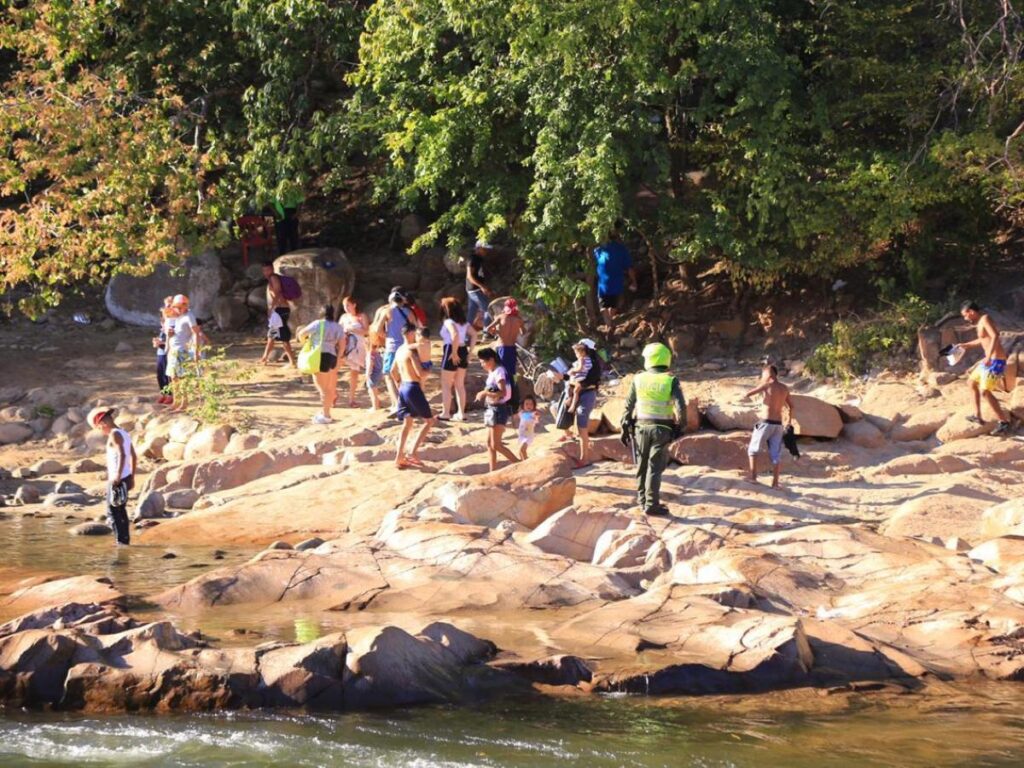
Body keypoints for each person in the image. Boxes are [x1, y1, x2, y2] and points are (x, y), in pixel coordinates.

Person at [621, 343, 687, 517]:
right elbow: (681, 408)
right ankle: (652, 504)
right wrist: (680, 427)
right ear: (666, 358)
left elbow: (628, 406)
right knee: (655, 467)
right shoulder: (671, 379)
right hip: (662, 428)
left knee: (642, 465)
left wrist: (624, 427)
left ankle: (642, 500)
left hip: (641, 428)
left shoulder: (638, 378)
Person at [959, 301, 1011, 435]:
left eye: (965, 315)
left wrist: (988, 356)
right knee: (971, 382)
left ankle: (1003, 422)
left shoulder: (985, 319)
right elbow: (982, 340)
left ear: (971, 312)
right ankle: (977, 415)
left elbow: (995, 335)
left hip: (996, 361)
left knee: (985, 391)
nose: (965, 318)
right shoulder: (980, 323)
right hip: (988, 361)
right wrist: (966, 345)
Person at [90, 407, 137, 546]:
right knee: (121, 510)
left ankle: (120, 543)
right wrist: (132, 477)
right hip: (126, 477)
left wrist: (117, 475)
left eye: (99, 427)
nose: (101, 431)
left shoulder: (114, 434)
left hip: (118, 479)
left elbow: (123, 454)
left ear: (103, 423)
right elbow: (133, 456)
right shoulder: (124, 433)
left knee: (113, 513)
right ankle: (124, 541)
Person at [391, 323, 436, 469]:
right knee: (429, 421)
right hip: (413, 387)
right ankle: (412, 452)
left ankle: (399, 457)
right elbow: (420, 374)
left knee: (407, 423)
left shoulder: (399, 350)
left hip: (403, 386)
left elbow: (392, 371)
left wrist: (398, 384)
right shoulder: (412, 352)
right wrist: (429, 370)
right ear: (411, 334)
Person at [742, 364, 794, 488]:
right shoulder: (784, 388)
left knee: (753, 450)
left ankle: (753, 477)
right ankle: (775, 483)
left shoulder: (767, 385)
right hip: (778, 425)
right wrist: (789, 421)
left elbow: (748, 394)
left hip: (765, 423)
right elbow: (791, 406)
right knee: (775, 454)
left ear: (769, 374)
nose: (762, 377)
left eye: (763, 374)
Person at [297, 304, 344, 424]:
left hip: (319, 356)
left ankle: (326, 415)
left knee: (322, 388)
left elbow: (302, 333)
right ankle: (326, 412)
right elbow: (342, 345)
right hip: (332, 355)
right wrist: (339, 359)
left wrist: (306, 342)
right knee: (328, 387)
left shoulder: (318, 323)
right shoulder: (338, 327)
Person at [476, 348, 520, 471]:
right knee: (490, 444)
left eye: (483, 362)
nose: (482, 365)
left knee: (497, 445)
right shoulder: (492, 372)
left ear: (491, 360)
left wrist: (484, 393)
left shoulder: (499, 372)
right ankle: (492, 471)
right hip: (491, 409)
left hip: (499, 409)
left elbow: (502, 392)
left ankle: (519, 464)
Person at [376, 287, 416, 413]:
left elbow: (377, 329)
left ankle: (396, 404)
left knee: (389, 375)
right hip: (405, 346)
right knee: (404, 375)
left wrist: (387, 337)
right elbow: (414, 329)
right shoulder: (409, 312)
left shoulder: (387, 311)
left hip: (392, 347)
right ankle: (406, 402)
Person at [563, 338, 601, 467]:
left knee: (581, 418)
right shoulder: (581, 362)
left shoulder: (594, 365)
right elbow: (571, 377)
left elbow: (591, 380)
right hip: (576, 392)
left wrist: (579, 385)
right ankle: (568, 434)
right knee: (557, 407)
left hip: (587, 394)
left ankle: (584, 458)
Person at [593, 223, 637, 327]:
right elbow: (629, 267)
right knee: (613, 305)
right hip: (616, 283)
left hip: (603, 284)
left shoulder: (598, 250)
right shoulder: (621, 249)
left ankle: (609, 324)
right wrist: (634, 281)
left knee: (604, 307)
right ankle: (610, 325)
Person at [439, 297, 474, 421]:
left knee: (446, 384)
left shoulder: (449, 322)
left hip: (451, 349)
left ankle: (446, 413)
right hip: (463, 349)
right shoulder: (464, 323)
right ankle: (461, 413)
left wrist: (453, 353)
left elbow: (455, 335)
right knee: (459, 384)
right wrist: (470, 352)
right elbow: (474, 334)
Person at [166, 294, 202, 413]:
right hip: (173, 350)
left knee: (181, 377)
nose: (176, 309)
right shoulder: (178, 317)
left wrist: (196, 351)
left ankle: (184, 403)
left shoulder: (189, 316)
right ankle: (176, 401)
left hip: (181, 351)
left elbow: (195, 333)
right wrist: (170, 333)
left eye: (178, 306)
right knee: (173, 377)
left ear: (184, 306)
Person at [259, 262, 297, 367]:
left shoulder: (273, 278)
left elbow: (278, 292)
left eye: (267, 270)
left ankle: (292, 361)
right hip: (280, 310)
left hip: (280, 310)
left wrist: (272, 308)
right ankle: (264, 358)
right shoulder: (272, 279)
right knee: (271, 335)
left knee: (283, 337)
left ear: (272, 269)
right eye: (264, 270)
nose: (265, 272)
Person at [339, 296, 369, 408]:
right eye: (344, 306)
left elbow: (366, 331)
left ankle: (351, 398)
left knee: (354, 373)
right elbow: (338, 330)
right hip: (345, 346)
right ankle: (333, 395)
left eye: (348, 305)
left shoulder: (362, 316)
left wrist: (352, 330)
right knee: (335, 369)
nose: (346, 308)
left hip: (358, 347)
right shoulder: (343, 317)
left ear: (354, 304)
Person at [485, 297, 523, 378]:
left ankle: (501, 389)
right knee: (510, 374)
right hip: (512, 348)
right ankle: (511, 389)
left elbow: (488, 329)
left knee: (501, 372)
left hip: (502, 347)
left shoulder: (501, 317)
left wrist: (496, 332)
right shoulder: (519, 319)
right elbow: (523, 332)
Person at [466, 240, 495, 330]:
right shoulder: (473, 259)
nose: (486, 251)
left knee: (472, 312)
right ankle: (487, 332)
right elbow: (469, 276)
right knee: (488, 309)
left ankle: (466, 335)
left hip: (474, 289)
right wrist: (482, 286)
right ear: (478, 248)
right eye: (484, 249)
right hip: (475, 289)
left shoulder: (479, 259)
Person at [153, 296, 173, 405]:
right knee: (159, 374)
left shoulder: (175, 322)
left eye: (169, 305)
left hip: (168, 352)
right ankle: (163, 393)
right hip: (161, 352)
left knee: (167, 374)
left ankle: (170, 394)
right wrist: (158, 342)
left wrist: (162, 343)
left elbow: (175, 339)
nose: (166, 308)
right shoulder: (164, 321)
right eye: (165, 305)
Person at [565, 340, 594, 414]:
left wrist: (574, 371)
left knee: (575, 390)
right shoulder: (589, 359)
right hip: (584, 376)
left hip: (581, 378)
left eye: (576, 353)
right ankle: (570, 400)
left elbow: (580, 368)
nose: (576, 355)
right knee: (573, 388)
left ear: (583, 352)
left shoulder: (581, 359)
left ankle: (572, 405)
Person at [365, 323, 386, 411]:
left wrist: (367, 374)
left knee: (372, 391)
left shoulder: (370, 354)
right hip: (379, 373)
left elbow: (370, 364)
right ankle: (377, 404)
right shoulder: (378, 353)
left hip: (373, 374)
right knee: (375, 390)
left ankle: (375, 406)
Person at [516, 395, 539, 460]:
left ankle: (526, 462)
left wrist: (536, 416)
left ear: (534, 405)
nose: (529, 406)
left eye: (531, 404)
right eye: (527, 404)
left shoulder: (533, 414)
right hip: (522, 435)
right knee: (520, 452)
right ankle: (524, 461)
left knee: (522, 450)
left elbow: (536, 420)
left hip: (528, 436)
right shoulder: (522, 413)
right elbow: (519, 415)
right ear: (523, 405)